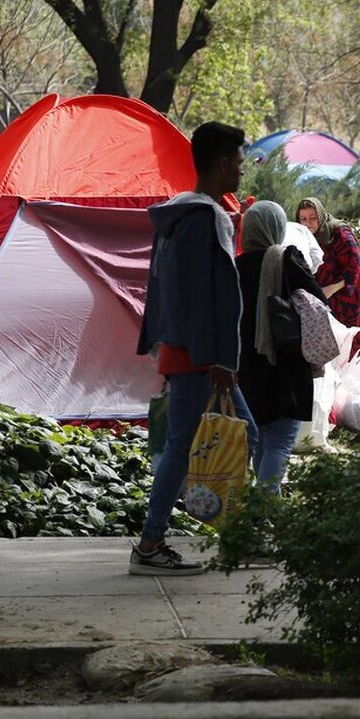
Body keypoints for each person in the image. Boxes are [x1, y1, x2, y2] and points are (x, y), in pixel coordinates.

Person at [131, 121, 258, 576]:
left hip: (183, 349)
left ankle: (240, 536)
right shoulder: (210, 219)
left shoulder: (175, 216)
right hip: (201, 356)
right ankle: (150, 544)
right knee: (200, 445)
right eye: (240, 164)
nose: (242, 173)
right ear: (223, 164)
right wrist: (223, 359)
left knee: (222, 440)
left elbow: (163, 288)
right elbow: (220, 296)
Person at [235, 201, 328, 494]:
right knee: (280, 441)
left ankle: (262, 506)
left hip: (246, 365)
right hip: (283, 361)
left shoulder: (235, 265)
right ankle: (264, 508)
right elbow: (317, 299)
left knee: (262, 436)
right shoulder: (287, 258)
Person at [296, 197, 360, 358]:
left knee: (353, 338)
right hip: (327, 293)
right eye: (303, 219)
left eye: (313, 218)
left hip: (352, 290)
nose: (308, 223)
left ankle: (354, 374)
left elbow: (354, 264)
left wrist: (332, 288)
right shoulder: (302, 235)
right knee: (333, 339)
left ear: (320, 217)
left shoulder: (338, 232)